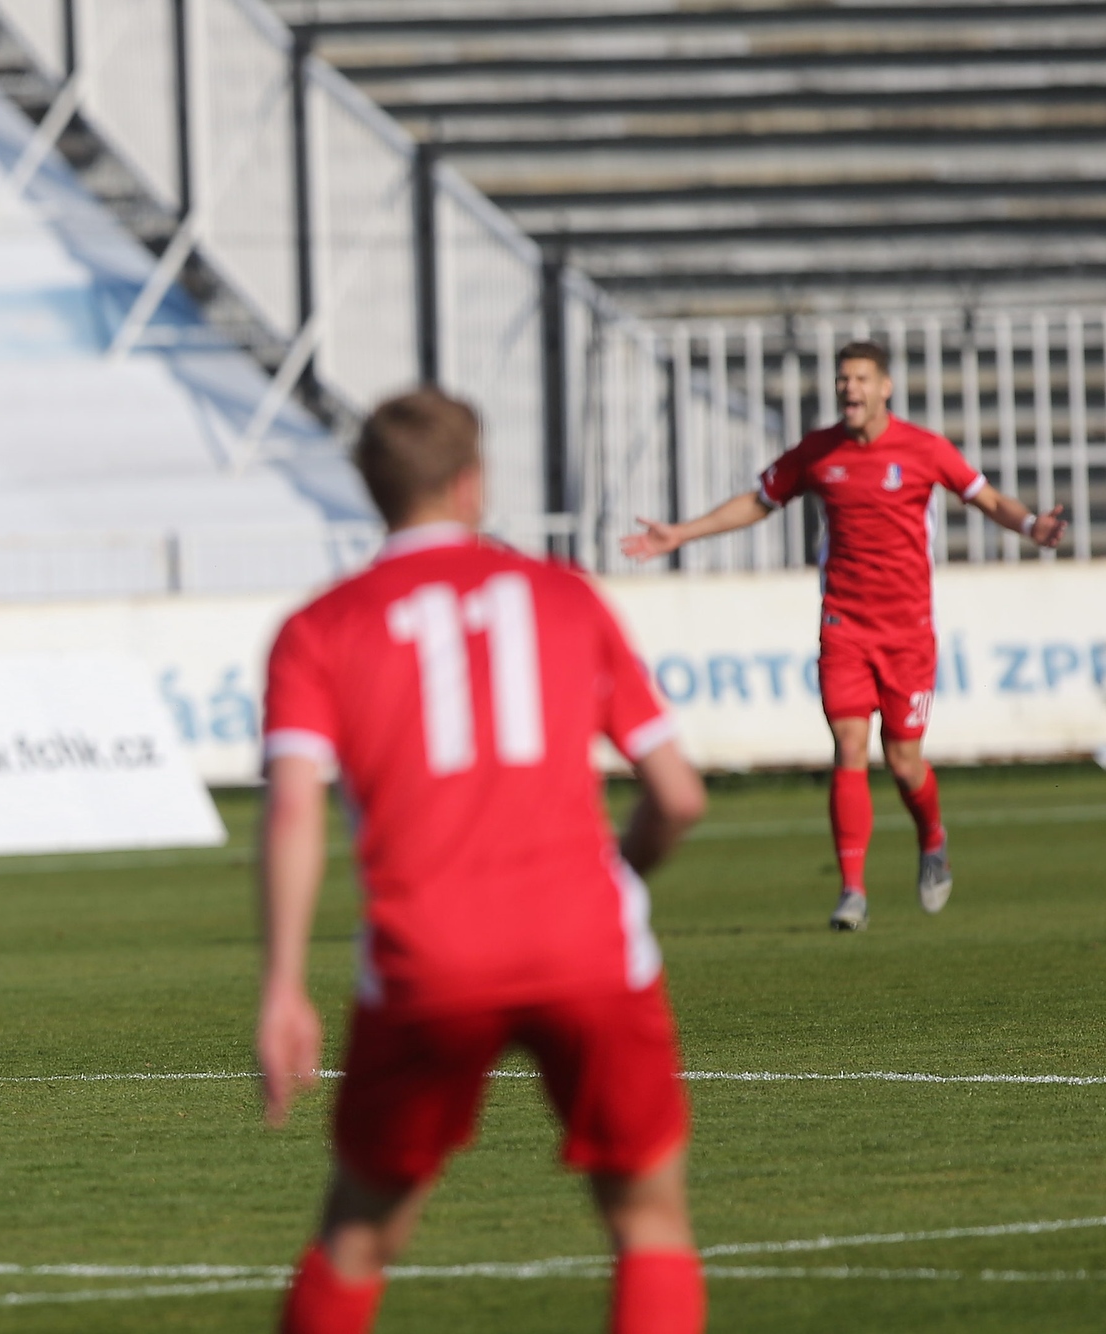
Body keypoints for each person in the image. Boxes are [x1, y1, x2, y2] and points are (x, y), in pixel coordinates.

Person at [259, 389, 710, 1334]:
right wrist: (623, 873)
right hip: (587, 943)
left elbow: (293, 807)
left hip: (428, 958)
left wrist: (283, 987)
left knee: (359, 1234)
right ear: (473, 482)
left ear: (372, 490)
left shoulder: (319, 628)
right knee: (648, 1222)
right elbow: (678, 795)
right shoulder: (563, 594)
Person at [620, 341, 1067, 931]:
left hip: (908, 634)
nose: (848, 388)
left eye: (859, 378)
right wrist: (681, 533)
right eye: (842, 379)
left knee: (903, 763)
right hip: (844, 627)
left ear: (885, 388)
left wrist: (1032, 525)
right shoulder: (818, 452)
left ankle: (932, 838)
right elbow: (758, 501)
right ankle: (852, 890)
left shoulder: (925, 449)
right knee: (850, 748)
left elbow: (986, 498)